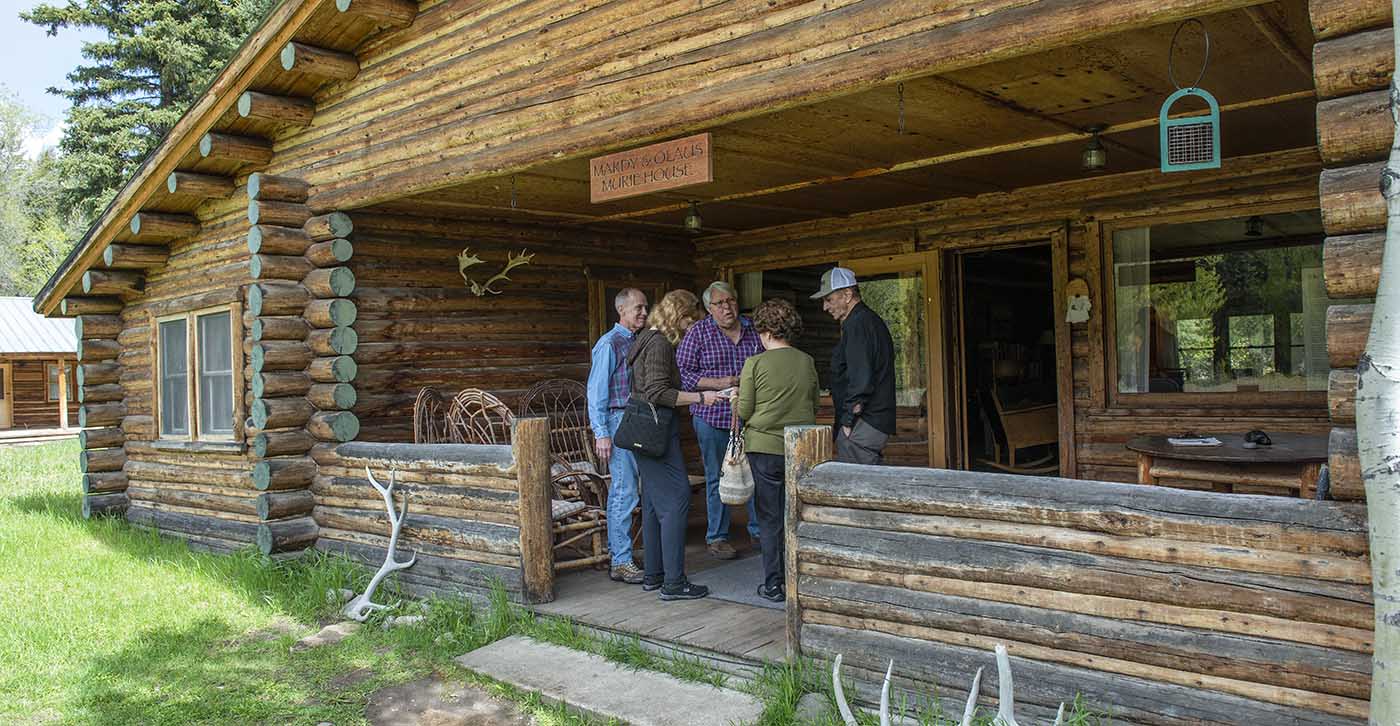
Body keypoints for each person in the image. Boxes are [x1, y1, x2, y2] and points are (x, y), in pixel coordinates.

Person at [627, 289, 718, 601]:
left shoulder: (645, 338)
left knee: (653, 504)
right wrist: (702, 398)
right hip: (657, 433)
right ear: (679, 317)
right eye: (691, 321)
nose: (692, 327)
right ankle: (675, 583)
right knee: (678, 499)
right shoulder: (661, 344)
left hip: (642, 432)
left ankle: (654, 575)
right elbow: (657, 392)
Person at [736, 298, 819, 603]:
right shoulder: (806, 361)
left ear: (768, 331)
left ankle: (774, 584)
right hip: (799, 449)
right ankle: (804, 578)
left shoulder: (754, 363)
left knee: (770, 519)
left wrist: (734, 399)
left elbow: (744, 409)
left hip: (764, 449)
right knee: (798, 515)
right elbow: (812, 404)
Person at [676, 281, 762, 560]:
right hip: (712, 415)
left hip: (750, 416)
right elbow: (682, 374)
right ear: (709, 308)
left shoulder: (754, 331)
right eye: (720, 303)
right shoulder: (698, 333)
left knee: (755, 474)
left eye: (731, 301)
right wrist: (720, 382)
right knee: (717, 476)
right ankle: (717, 536)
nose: (727, 307)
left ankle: (759, 532)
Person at [586, 288, 649, 584]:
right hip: (617, 420)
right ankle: (621, 560)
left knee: (633, 489)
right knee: (624, 490)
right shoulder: (609, 344)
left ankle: (624, 554)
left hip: (635, 418)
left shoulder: (636, 340)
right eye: (638, 308)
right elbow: (596, 392)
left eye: (645, 308)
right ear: (621, 310)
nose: (644, 313)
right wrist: (601, 433)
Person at [812, 267, 895, 464]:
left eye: (829, 299)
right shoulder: (865, 321)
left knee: (857, 487)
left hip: (863, 423)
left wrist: (848, 422)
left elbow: (861, 379)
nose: (825, 307)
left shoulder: (858, 324)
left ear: (848, 294)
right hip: (870, 422)